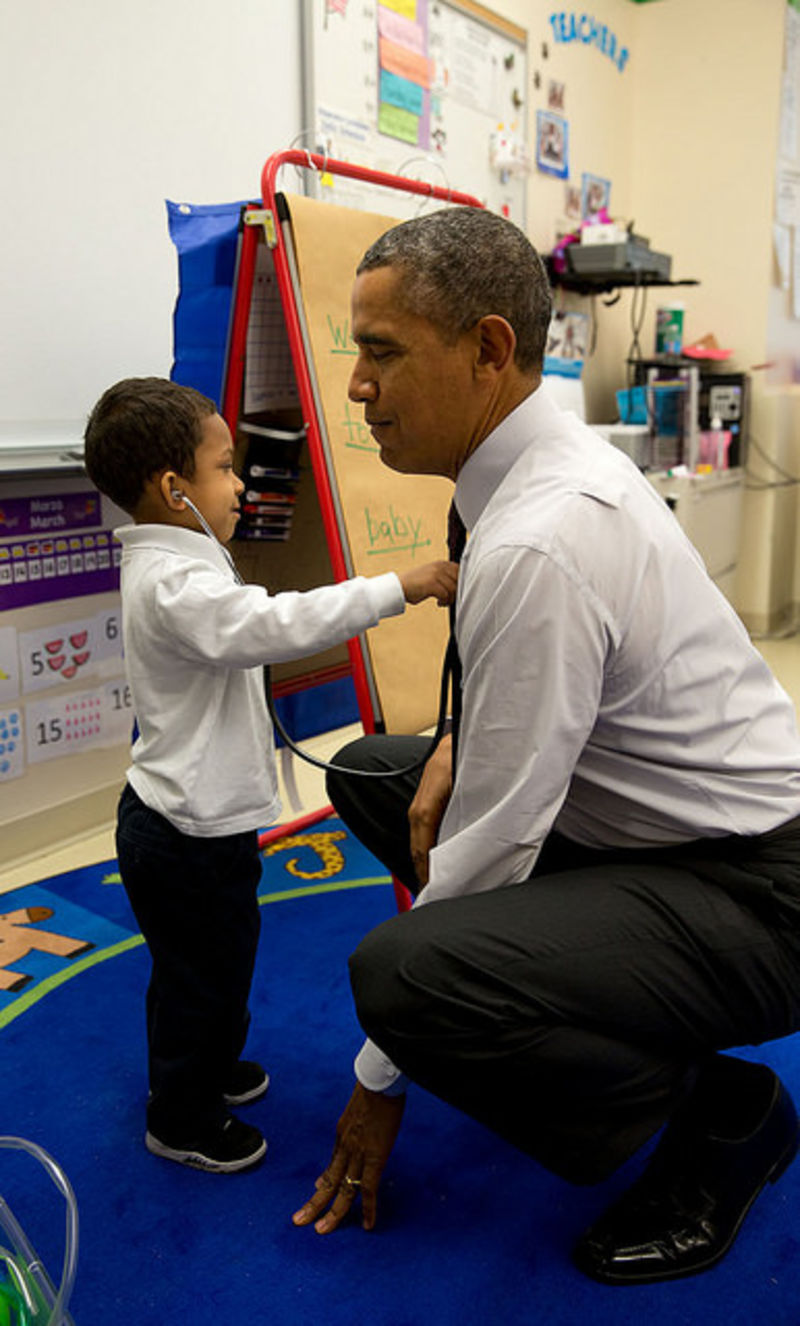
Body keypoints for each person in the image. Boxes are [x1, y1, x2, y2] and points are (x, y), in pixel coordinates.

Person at [291, 207, 800, 1284]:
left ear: (486, 349)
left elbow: (493, 842)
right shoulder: (514, 475)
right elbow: (507, 718)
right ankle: (602, 1025)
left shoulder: (537, 535)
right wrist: (455, 741)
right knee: (383, 773)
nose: (355, 388)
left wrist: (380, 1077)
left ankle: (717, 1119)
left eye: (380, 354)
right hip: (678, 840)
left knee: (404, 976)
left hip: (765, 890)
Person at [83, 377, 456, 1174]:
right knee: (196, 980)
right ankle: (180, 1118)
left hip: (205, 824)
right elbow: (273, 624)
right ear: (173, 489)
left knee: (226, 957)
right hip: (179, 832)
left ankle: (213, 1064)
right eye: (225, 467)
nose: (242, 481)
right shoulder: (173, 583)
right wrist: (399, 586)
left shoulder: (185, 558)